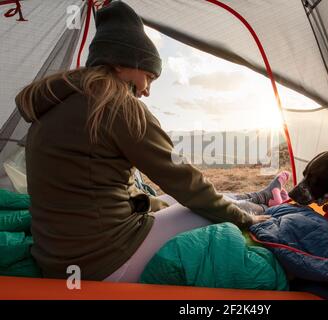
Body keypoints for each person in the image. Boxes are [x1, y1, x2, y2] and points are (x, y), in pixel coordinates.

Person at [15, 2, 277, 283]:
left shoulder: (52, 105)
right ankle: (255, 210)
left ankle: (254, 199)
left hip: (58, 259)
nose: (148, 90)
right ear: (120, 62)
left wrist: (158, 205)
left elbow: (96, 189)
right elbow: (186, 181)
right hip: (102, 261)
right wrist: (244, 223)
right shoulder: (115, 105)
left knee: (168, 200)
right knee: (206, 213)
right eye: (148, 77)